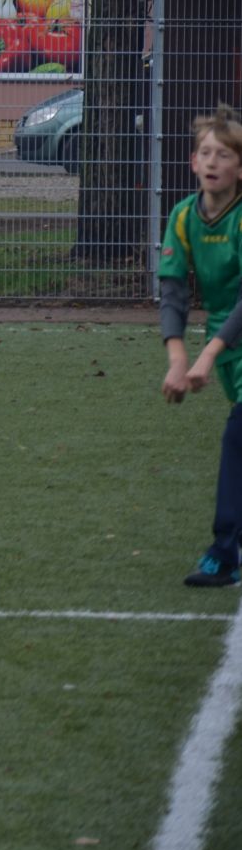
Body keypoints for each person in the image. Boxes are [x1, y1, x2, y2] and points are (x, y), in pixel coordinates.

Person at [160, 105, 242, 588]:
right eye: (205, 153)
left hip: (228, 339)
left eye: (224, 154)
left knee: (237, 438)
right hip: (228, 341)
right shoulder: (184, 216)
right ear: (193, 162)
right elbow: (173, 291)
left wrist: (207, 354)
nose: (213, 161)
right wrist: (177, 359)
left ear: (240, 168)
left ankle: (224, 553)